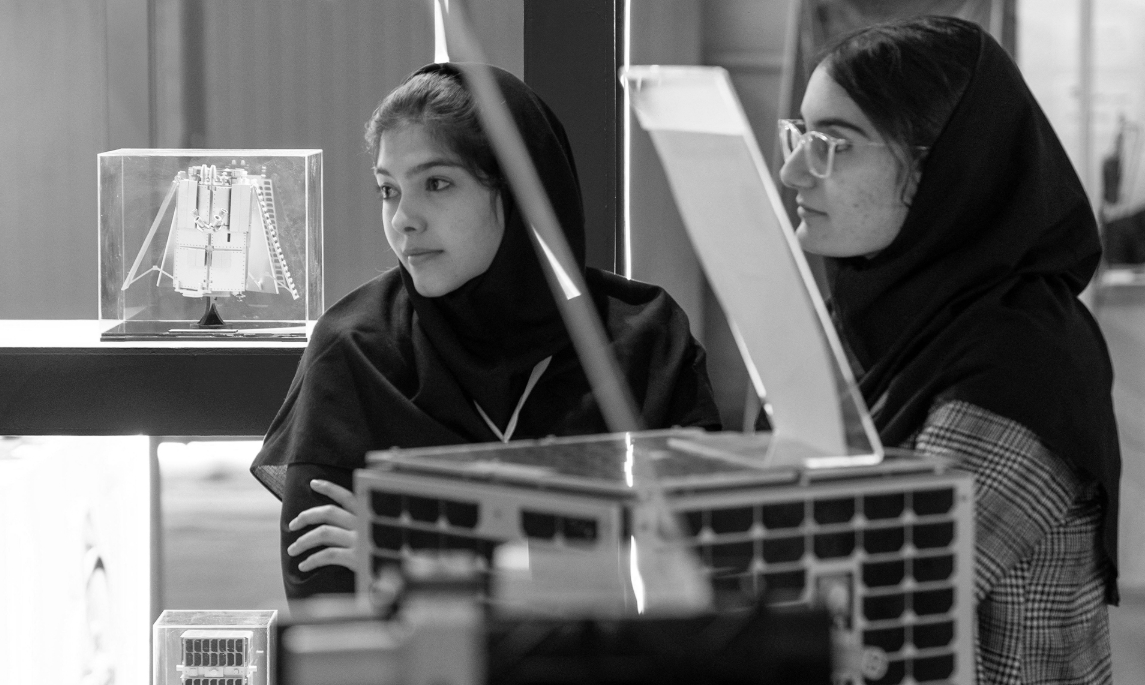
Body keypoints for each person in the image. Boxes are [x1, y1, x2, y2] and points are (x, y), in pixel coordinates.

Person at [251, 63, 722, 600]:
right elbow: (326, 602)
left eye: (437, 183)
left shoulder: (645, 342)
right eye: (388, 190)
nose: (404, 218)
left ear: (523, 193)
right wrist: (568, 561)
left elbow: (697, 575)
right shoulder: (356, 352)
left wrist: (414, 559)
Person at [778, 16, 1120, 684]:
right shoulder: (888, 323)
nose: (794, 172)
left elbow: (877, 597)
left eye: (832, 145)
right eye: (800, 135)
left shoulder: (1020, 362)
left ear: (942, 168)